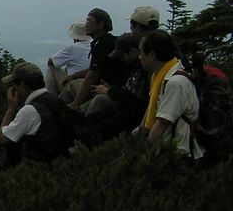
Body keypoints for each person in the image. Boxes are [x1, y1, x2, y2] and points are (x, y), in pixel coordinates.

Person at [137, 30, 203, 159]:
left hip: (178, 155)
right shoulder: (159, 78)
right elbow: (151, 110)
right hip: (167, 151)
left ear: (151, 55)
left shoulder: (175, 83)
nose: (139, 57)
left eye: (141, 52)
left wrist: (143, 157)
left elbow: (161, 125)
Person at [0, 62, 70, 162]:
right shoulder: (53, 100)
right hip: (61, 160)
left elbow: (2, 140)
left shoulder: (29, 111)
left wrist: (11, 108)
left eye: (14, 85)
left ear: (23, 85)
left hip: (43, 167)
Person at [84, 32, 149, 138]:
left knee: (96, 129)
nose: (120, 59)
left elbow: (133, 99)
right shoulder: (134, 66)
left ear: (132, 52)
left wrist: (108, 91)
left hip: (132, 114)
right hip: (126, 109)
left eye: (121, 55)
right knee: (91, 119)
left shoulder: (142, 69)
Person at [65, 8, 127, 112]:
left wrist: (76, 104)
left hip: (108, 91)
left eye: (89, 21)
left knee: (81, 108)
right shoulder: (102, 41)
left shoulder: (103, 44)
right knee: (70, 83)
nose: (86, 24)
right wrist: (72, 76)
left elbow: (92, 75)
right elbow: (93, 69)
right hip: (102, 88)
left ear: (101, 24)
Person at [44, 21, 91, 98]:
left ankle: (51, 98)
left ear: (74, 36)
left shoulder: (73, 48)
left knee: (52, 68)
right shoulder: (93, 45)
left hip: (75, 86)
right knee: (67, 68)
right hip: (89, 86)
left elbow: (51, 62)